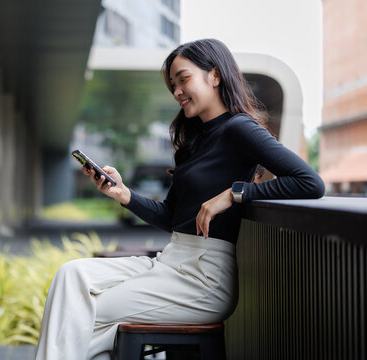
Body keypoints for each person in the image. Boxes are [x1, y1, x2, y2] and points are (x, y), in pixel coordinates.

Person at [34, 38, 325, 360]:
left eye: (183, 79)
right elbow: (172, 217)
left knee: (84, 315)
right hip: (170, 262)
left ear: (215, 76)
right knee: (71, 275)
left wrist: (234, 194)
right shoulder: (194, 140)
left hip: (204, 278)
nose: (177, 92)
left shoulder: (239, 128)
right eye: (173, 84)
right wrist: (124, 194)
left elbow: (310, 182)